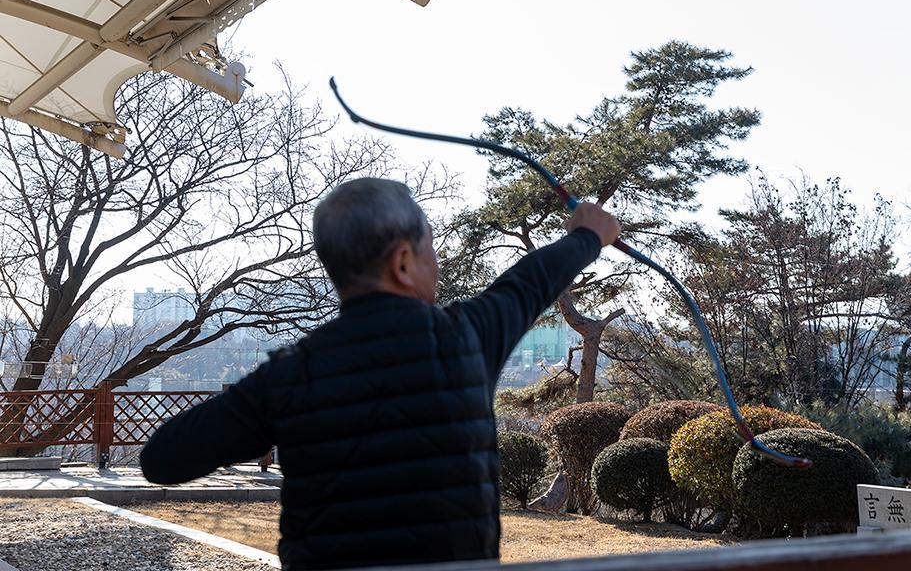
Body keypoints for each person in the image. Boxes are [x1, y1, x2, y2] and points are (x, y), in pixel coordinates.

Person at [140, 177, 619, 570]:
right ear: (403, 262)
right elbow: (529, 281)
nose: (436, 263)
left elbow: (162, 460)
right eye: (430, 249)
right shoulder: (466, 338)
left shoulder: (292, 373)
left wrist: (266, 407)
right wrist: (587, 235)